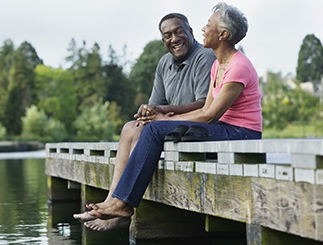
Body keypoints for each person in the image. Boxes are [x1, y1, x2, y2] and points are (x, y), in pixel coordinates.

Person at [82, 2, 262, 224]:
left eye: (208, 25)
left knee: (155, 130)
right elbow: (206, 110)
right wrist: (162, 117)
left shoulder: (238, 67)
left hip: (242, 132)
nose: (204, 29)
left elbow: (209, 115)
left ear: (223, 34)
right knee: (152, 127)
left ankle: (123, 204)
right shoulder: (219, 65)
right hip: (224, 128)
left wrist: (162, 119)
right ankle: (119, 201)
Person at [73, 12, 216, 231]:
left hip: (195, 126)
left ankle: (121, 207)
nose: (175, 38)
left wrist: (163, 111)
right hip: (171, 125)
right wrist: (148, 112)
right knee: (131, 127)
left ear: (190, 31)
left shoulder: (204, 56)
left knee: (142, 132)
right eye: (168, 35)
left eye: (179, 31)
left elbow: (205, 104)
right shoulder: (164, 63)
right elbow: (156, 103)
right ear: (163, 40)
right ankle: (113, 201)